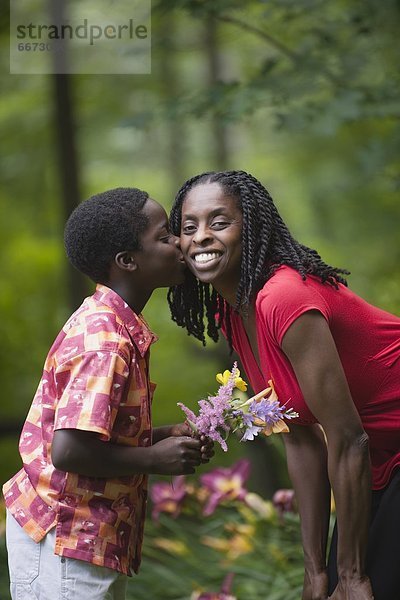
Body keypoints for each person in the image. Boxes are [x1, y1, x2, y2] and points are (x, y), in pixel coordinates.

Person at [167, 170, 400, 600]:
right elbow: (299, 439)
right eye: (188, 227)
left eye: (219, 223)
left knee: (370, 586)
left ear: (249, 229)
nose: (200, 236)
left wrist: (350, 576)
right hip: (377, 459)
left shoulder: (284, 297)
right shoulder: (233, 312)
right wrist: (315, 573)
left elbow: (348, 439)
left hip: (371, 450)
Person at [3, 187, 213, 600]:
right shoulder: (105, 341)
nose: (179, 243)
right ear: (128, 261)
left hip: (86, 538)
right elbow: (68, 451)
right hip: (64, 536)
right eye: (165, 234)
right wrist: (153, 459)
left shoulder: (117, 327)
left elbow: (92, 437)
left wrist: (162, 435)